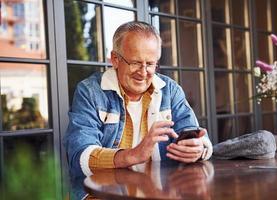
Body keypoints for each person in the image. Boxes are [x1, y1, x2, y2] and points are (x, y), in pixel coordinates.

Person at [64, 21, 213, 177]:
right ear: (115, 59)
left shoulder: (170, 90)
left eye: (150, 64)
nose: (143, 72)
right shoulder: (90, 92)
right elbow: (78, 157)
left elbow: (196, 135)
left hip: (162, 191)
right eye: (135, 62)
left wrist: (198, 149)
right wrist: (133, 155)